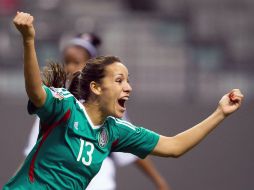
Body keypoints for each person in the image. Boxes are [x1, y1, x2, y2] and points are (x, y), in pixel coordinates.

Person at [4, 12, 244, 189]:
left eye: (128, 80)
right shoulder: (65, 106)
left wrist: (220, 113)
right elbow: (36, 92)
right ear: (96, 87)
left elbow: (174, 147)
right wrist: (28, 40)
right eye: (119, 80)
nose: (128, 87)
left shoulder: (116, 131)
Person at [21, 18, 170, 190]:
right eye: (67, 62)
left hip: (98, 179)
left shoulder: (107, 105)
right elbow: (34, 153)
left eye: (77, 62)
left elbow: (134, 149)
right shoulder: (55, 102)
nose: (70, 68)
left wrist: (159, 181)